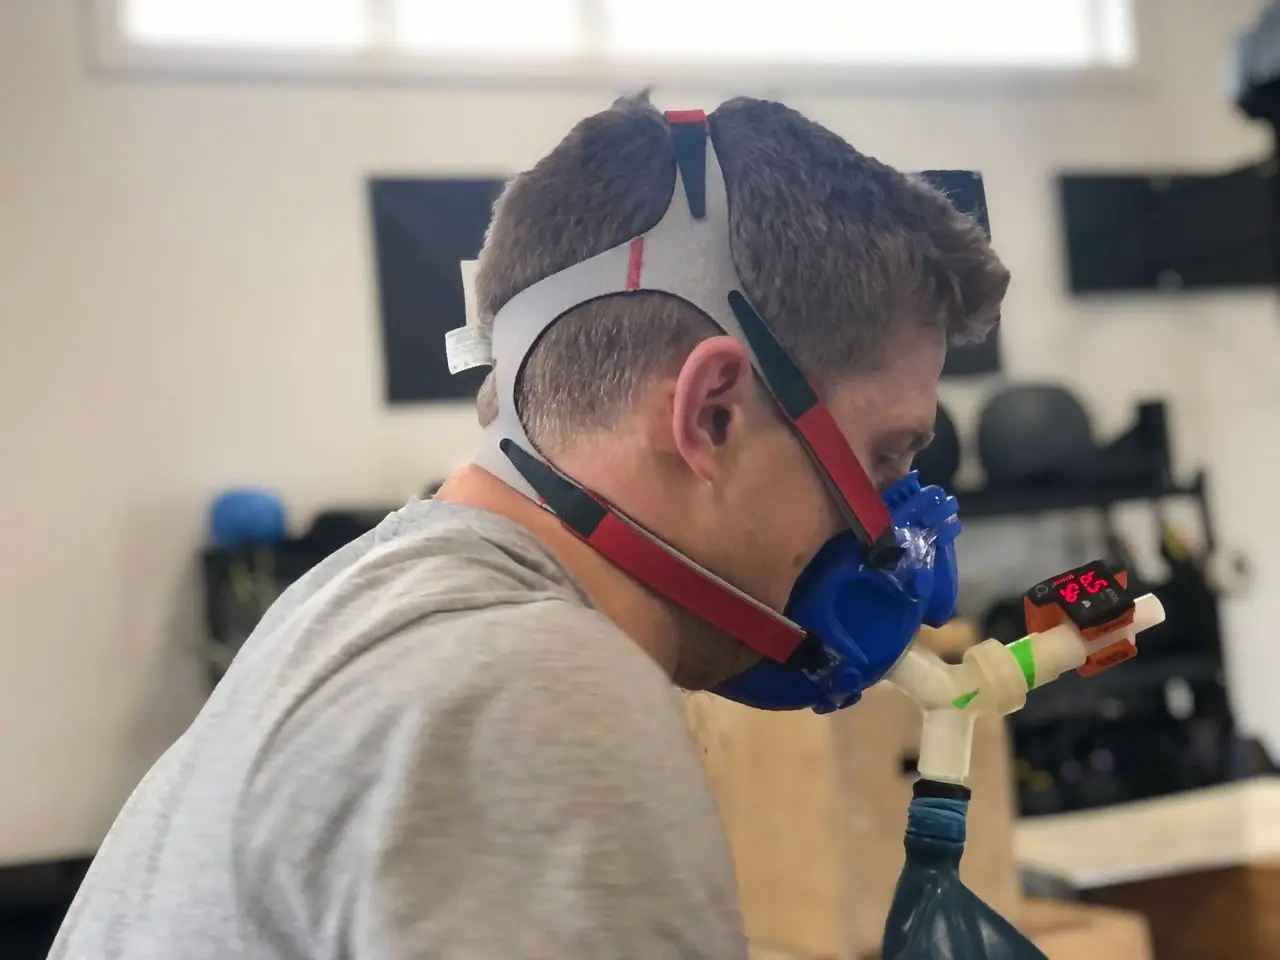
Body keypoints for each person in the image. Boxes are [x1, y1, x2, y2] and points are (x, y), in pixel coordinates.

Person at [48, 95, 1009, 959]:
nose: (903, 525)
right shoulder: (535, 690)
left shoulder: (365, 604)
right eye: (886, 457)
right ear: (712, 413)